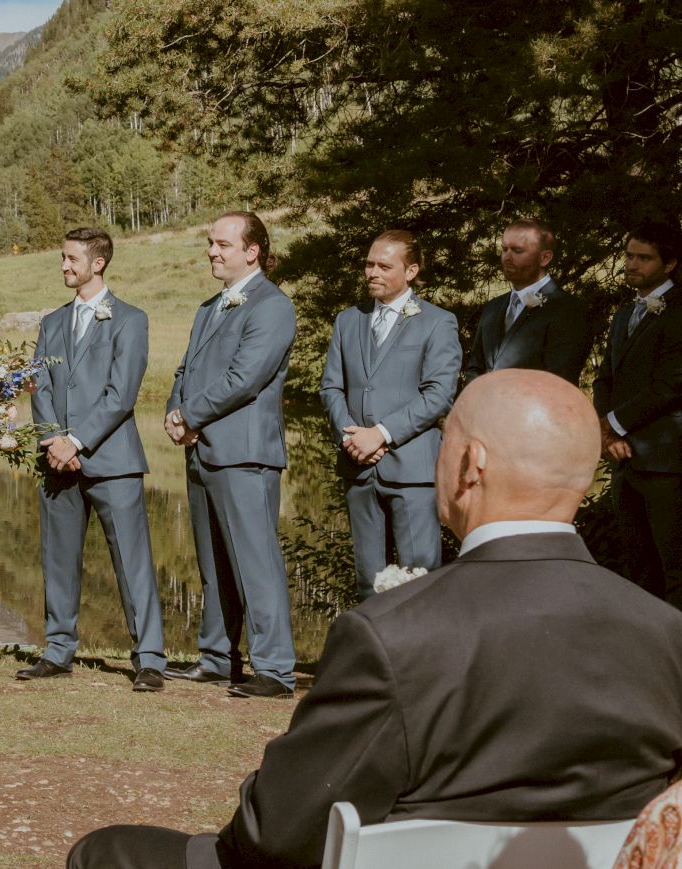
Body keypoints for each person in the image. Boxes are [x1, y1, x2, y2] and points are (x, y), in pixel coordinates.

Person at [68, 370, 682, 869]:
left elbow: (275, 832)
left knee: (105, 852)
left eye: (442, 442)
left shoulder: (392, 633)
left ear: (471, 464)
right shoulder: (666, 632)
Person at [21, 225, 165, 690]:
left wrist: (77, 441)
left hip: (112, 460)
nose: (64, 266)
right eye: (61, 259)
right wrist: (53, 442)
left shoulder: (130, 320)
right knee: (58, 558)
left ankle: (149, 660)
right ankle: (58, 649)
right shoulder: (51, 323)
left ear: (97, 263)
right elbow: (39, 387)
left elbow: (121, 394)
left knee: (131, 560)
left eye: (71, 259)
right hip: (56, 461)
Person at [163, 211, 299, 698]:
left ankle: (277, 670)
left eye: (222, 244)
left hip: (244, 453)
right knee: (213, 560)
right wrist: (172, 411)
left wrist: (190, 416)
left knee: (255, 560)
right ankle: (219, 657)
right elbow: (186, 368)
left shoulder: (272, 306)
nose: (212, 252)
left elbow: (245, 378)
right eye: (210, 243)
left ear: (252, 251)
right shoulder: (208, 307)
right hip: (202, 450)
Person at [319, 230, 462, 599]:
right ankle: (374, 657)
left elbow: (440, 395)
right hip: (358, 466)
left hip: (412, 470)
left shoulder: (437, 322)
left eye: (384, 265)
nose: (372, 272)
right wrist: (350, 436)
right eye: (369, 264)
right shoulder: (347, 320)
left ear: (411, 270)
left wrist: (380, 433)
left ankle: (422, 658)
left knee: (419, 582)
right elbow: (331, 387)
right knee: (369, 584)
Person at [596, 220, 682, 608]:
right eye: (629, 255)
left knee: (675, 570)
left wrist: (613, 427)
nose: (631, 264)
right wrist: (605, 431)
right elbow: (605, 379)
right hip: (625, 462)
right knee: (639, 571)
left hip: (667, 465)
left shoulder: (679, 312)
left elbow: (669, 386)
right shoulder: (623, 315)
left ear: (670, 264)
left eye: (644, 258)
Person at [463, 218, 592, 384]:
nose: (507, 257)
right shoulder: (493, 307)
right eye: (504, 249)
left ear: (545, 257)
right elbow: (475, 367)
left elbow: (558, 379)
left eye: (517, 251)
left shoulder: (568, 310)